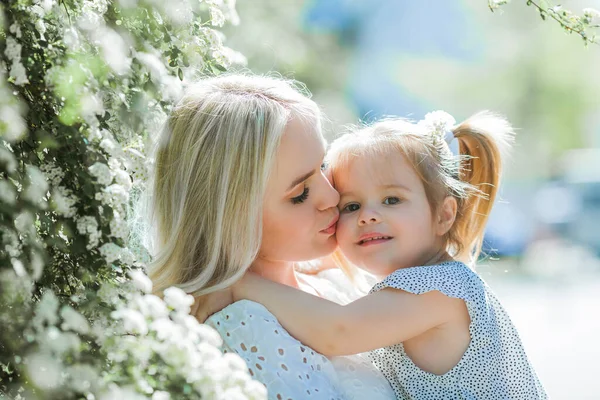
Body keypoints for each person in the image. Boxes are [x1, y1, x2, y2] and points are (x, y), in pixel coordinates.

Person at [225, 111, 548, 399]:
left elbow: (339, 331)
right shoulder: (423, 280)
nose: (367, 216)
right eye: (351, 206)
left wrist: (242, 284)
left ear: (443, 216)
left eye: (392, 200)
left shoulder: (438, 289)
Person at [147, 73, 395, 399]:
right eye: (300, 194)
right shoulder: (239, 331)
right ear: (232, 217)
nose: (332, 196)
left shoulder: (334, 282)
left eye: (323, 166)